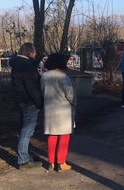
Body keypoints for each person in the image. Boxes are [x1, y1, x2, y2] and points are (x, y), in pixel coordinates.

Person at [9, 42, 43, 170]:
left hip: (22, 101)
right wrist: (39, 103)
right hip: (29, 102)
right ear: (29, 52)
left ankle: (25, 156)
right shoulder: (27, 67)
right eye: (34, 52)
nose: (35, 54)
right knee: (27, 130)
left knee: (25, 129)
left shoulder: (17, 65)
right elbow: (33, 88)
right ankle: (23, 160)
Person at [40, 53, 77, 172]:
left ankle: (51, 162)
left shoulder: (44, 76)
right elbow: (70, 94)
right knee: (64, 136)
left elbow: (41, 92)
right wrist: (74, 103)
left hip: (50, 109)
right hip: (63, 110)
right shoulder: (63, 76)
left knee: (52, 136)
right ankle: (61, 162)